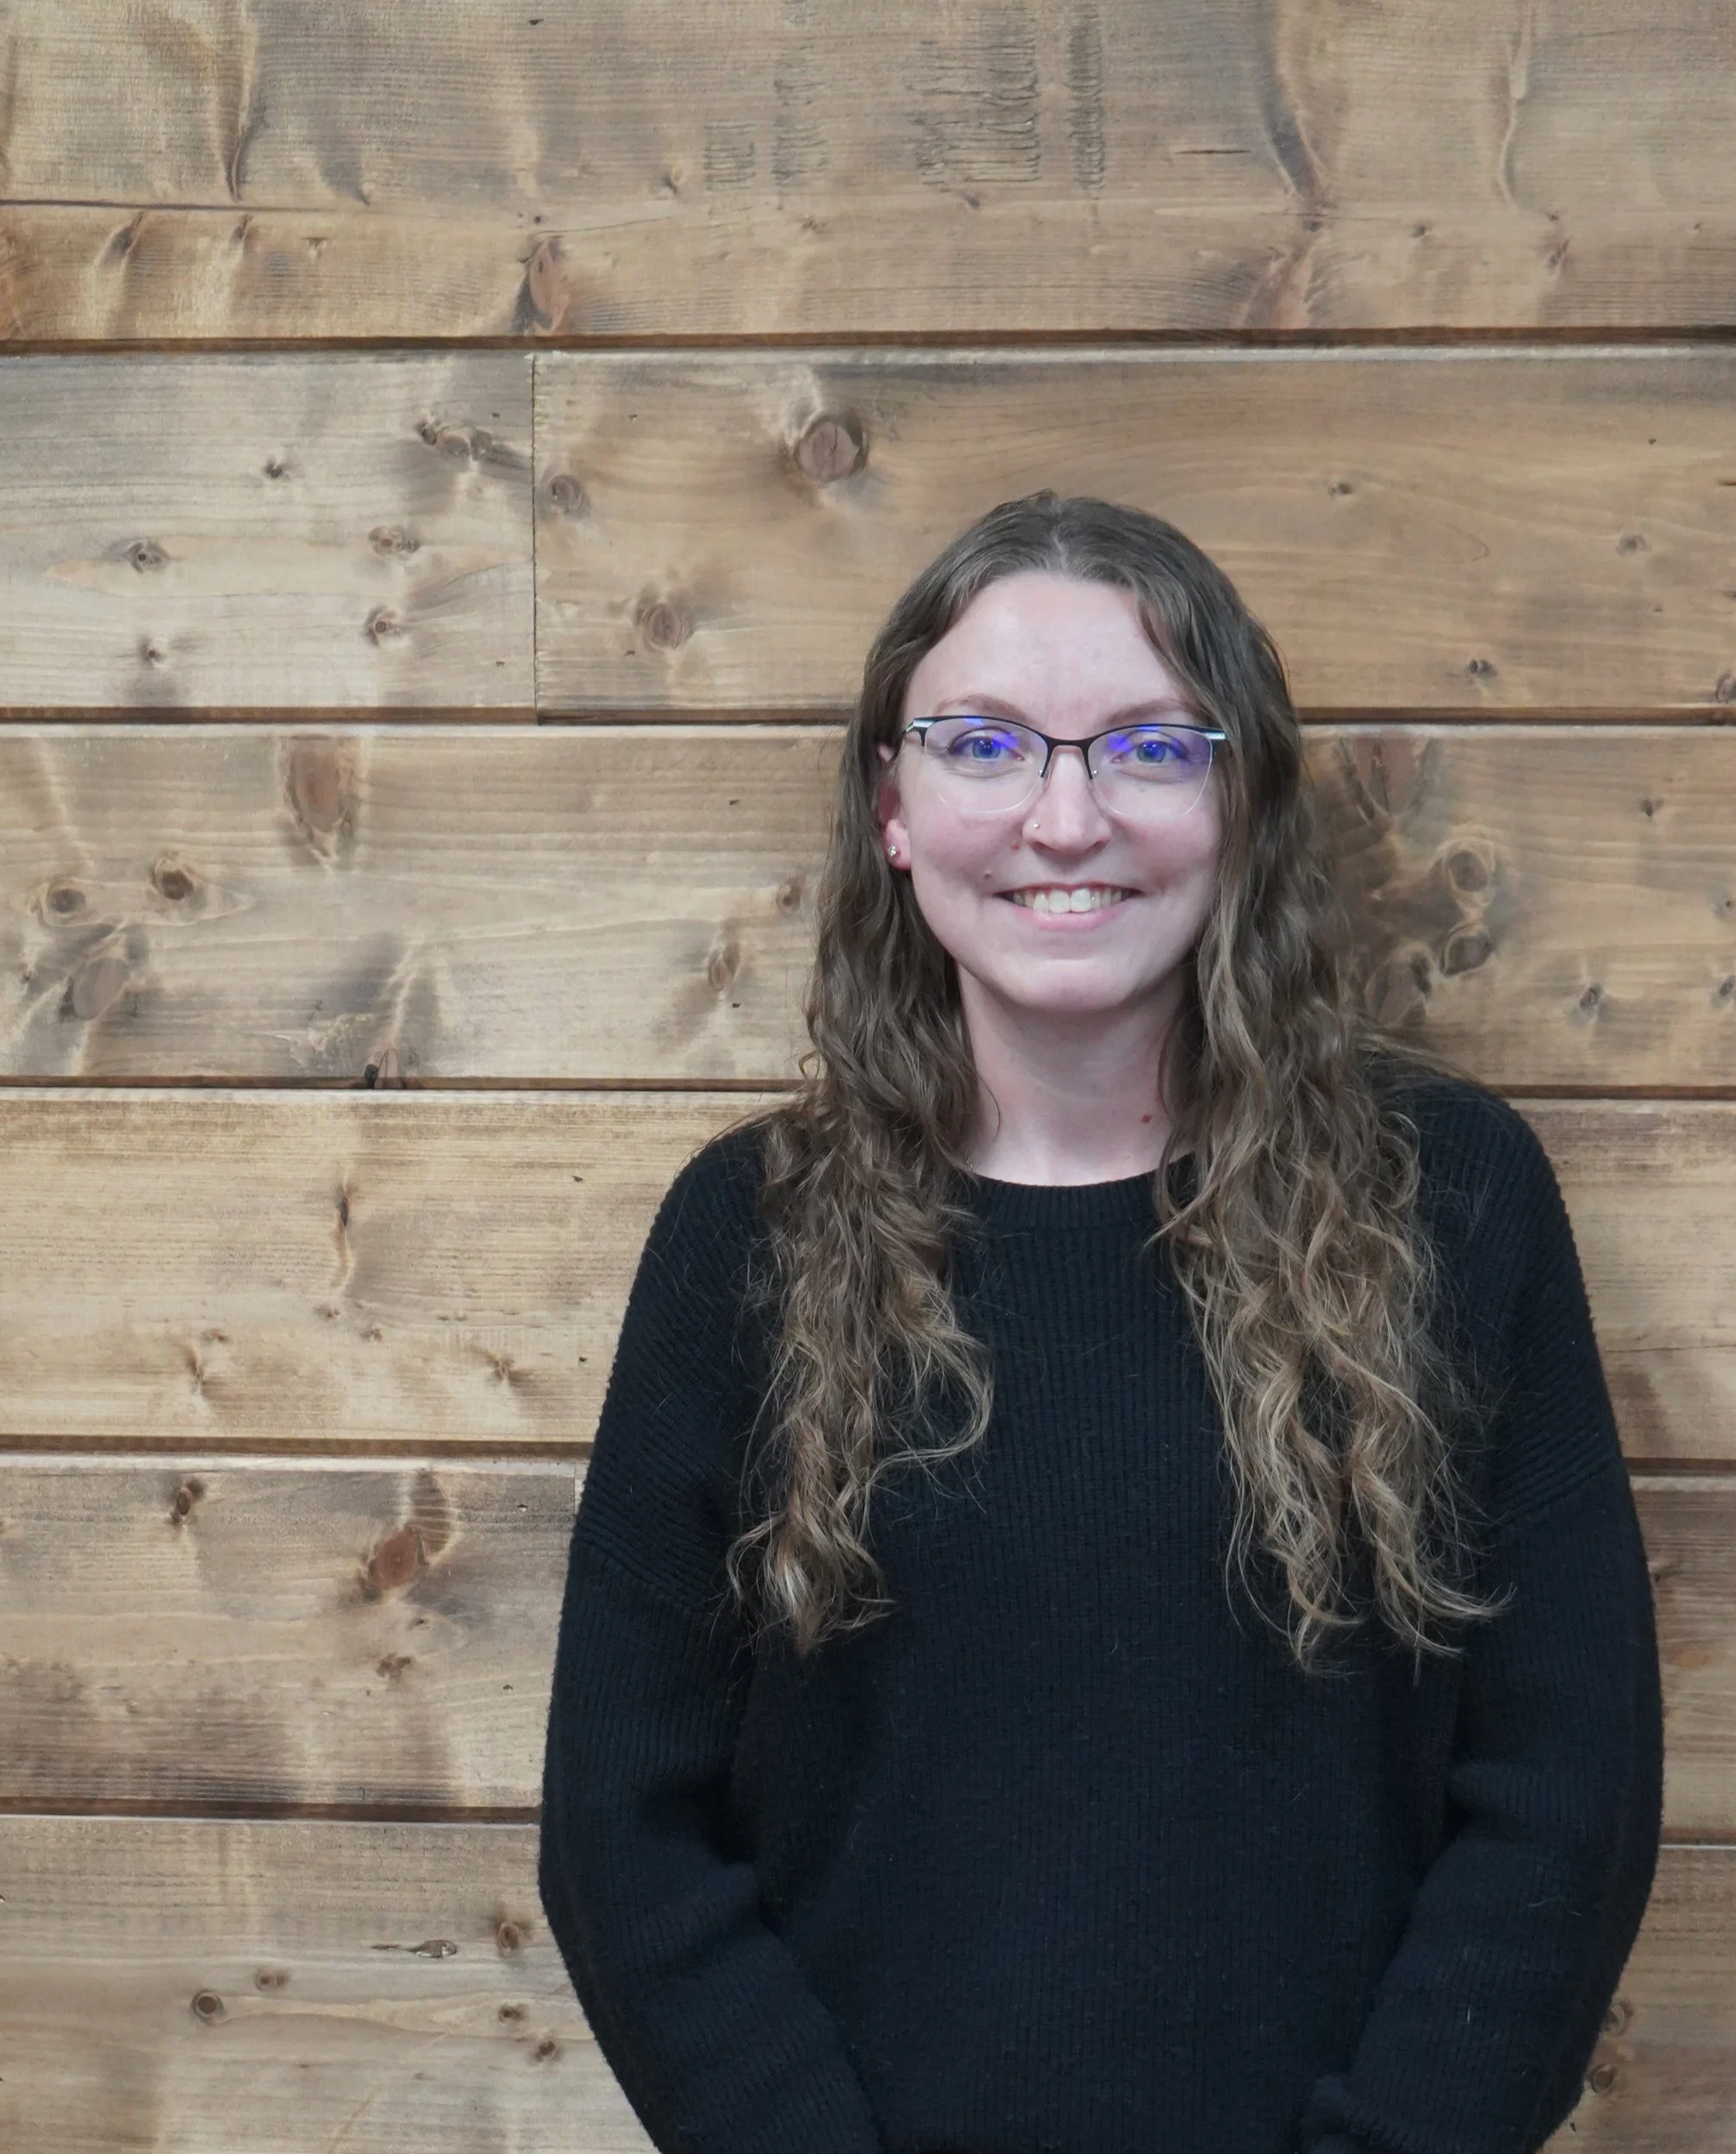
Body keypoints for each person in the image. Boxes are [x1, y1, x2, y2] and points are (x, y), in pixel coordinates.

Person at [538, 492, 1663, 2154]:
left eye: (1146, 747)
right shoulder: (750, 1238)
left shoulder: (1452, 1203)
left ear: (1239, 800)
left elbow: (1561, 1805)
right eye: (986, 745)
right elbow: (622, 1832)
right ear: (895, 806)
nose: (1065, 818)